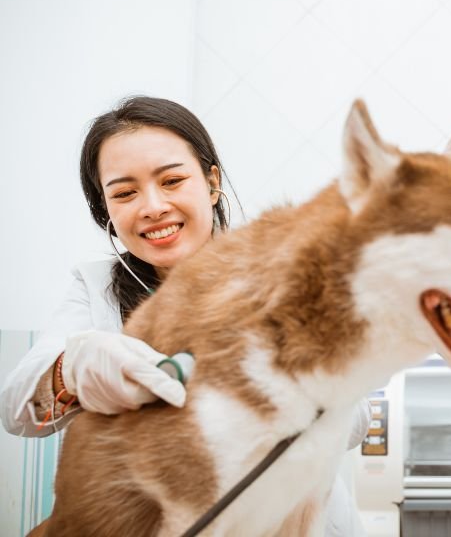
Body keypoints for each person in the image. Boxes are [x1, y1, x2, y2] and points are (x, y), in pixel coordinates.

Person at [0, 96, 369, 537]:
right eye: (124, 193)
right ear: (107, 212)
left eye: (172, 180)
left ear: (212, 183)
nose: (153, 207)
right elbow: (18, 412)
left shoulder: (285, 273)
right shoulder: (94, 287)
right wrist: (73, 371)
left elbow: (357, 421)